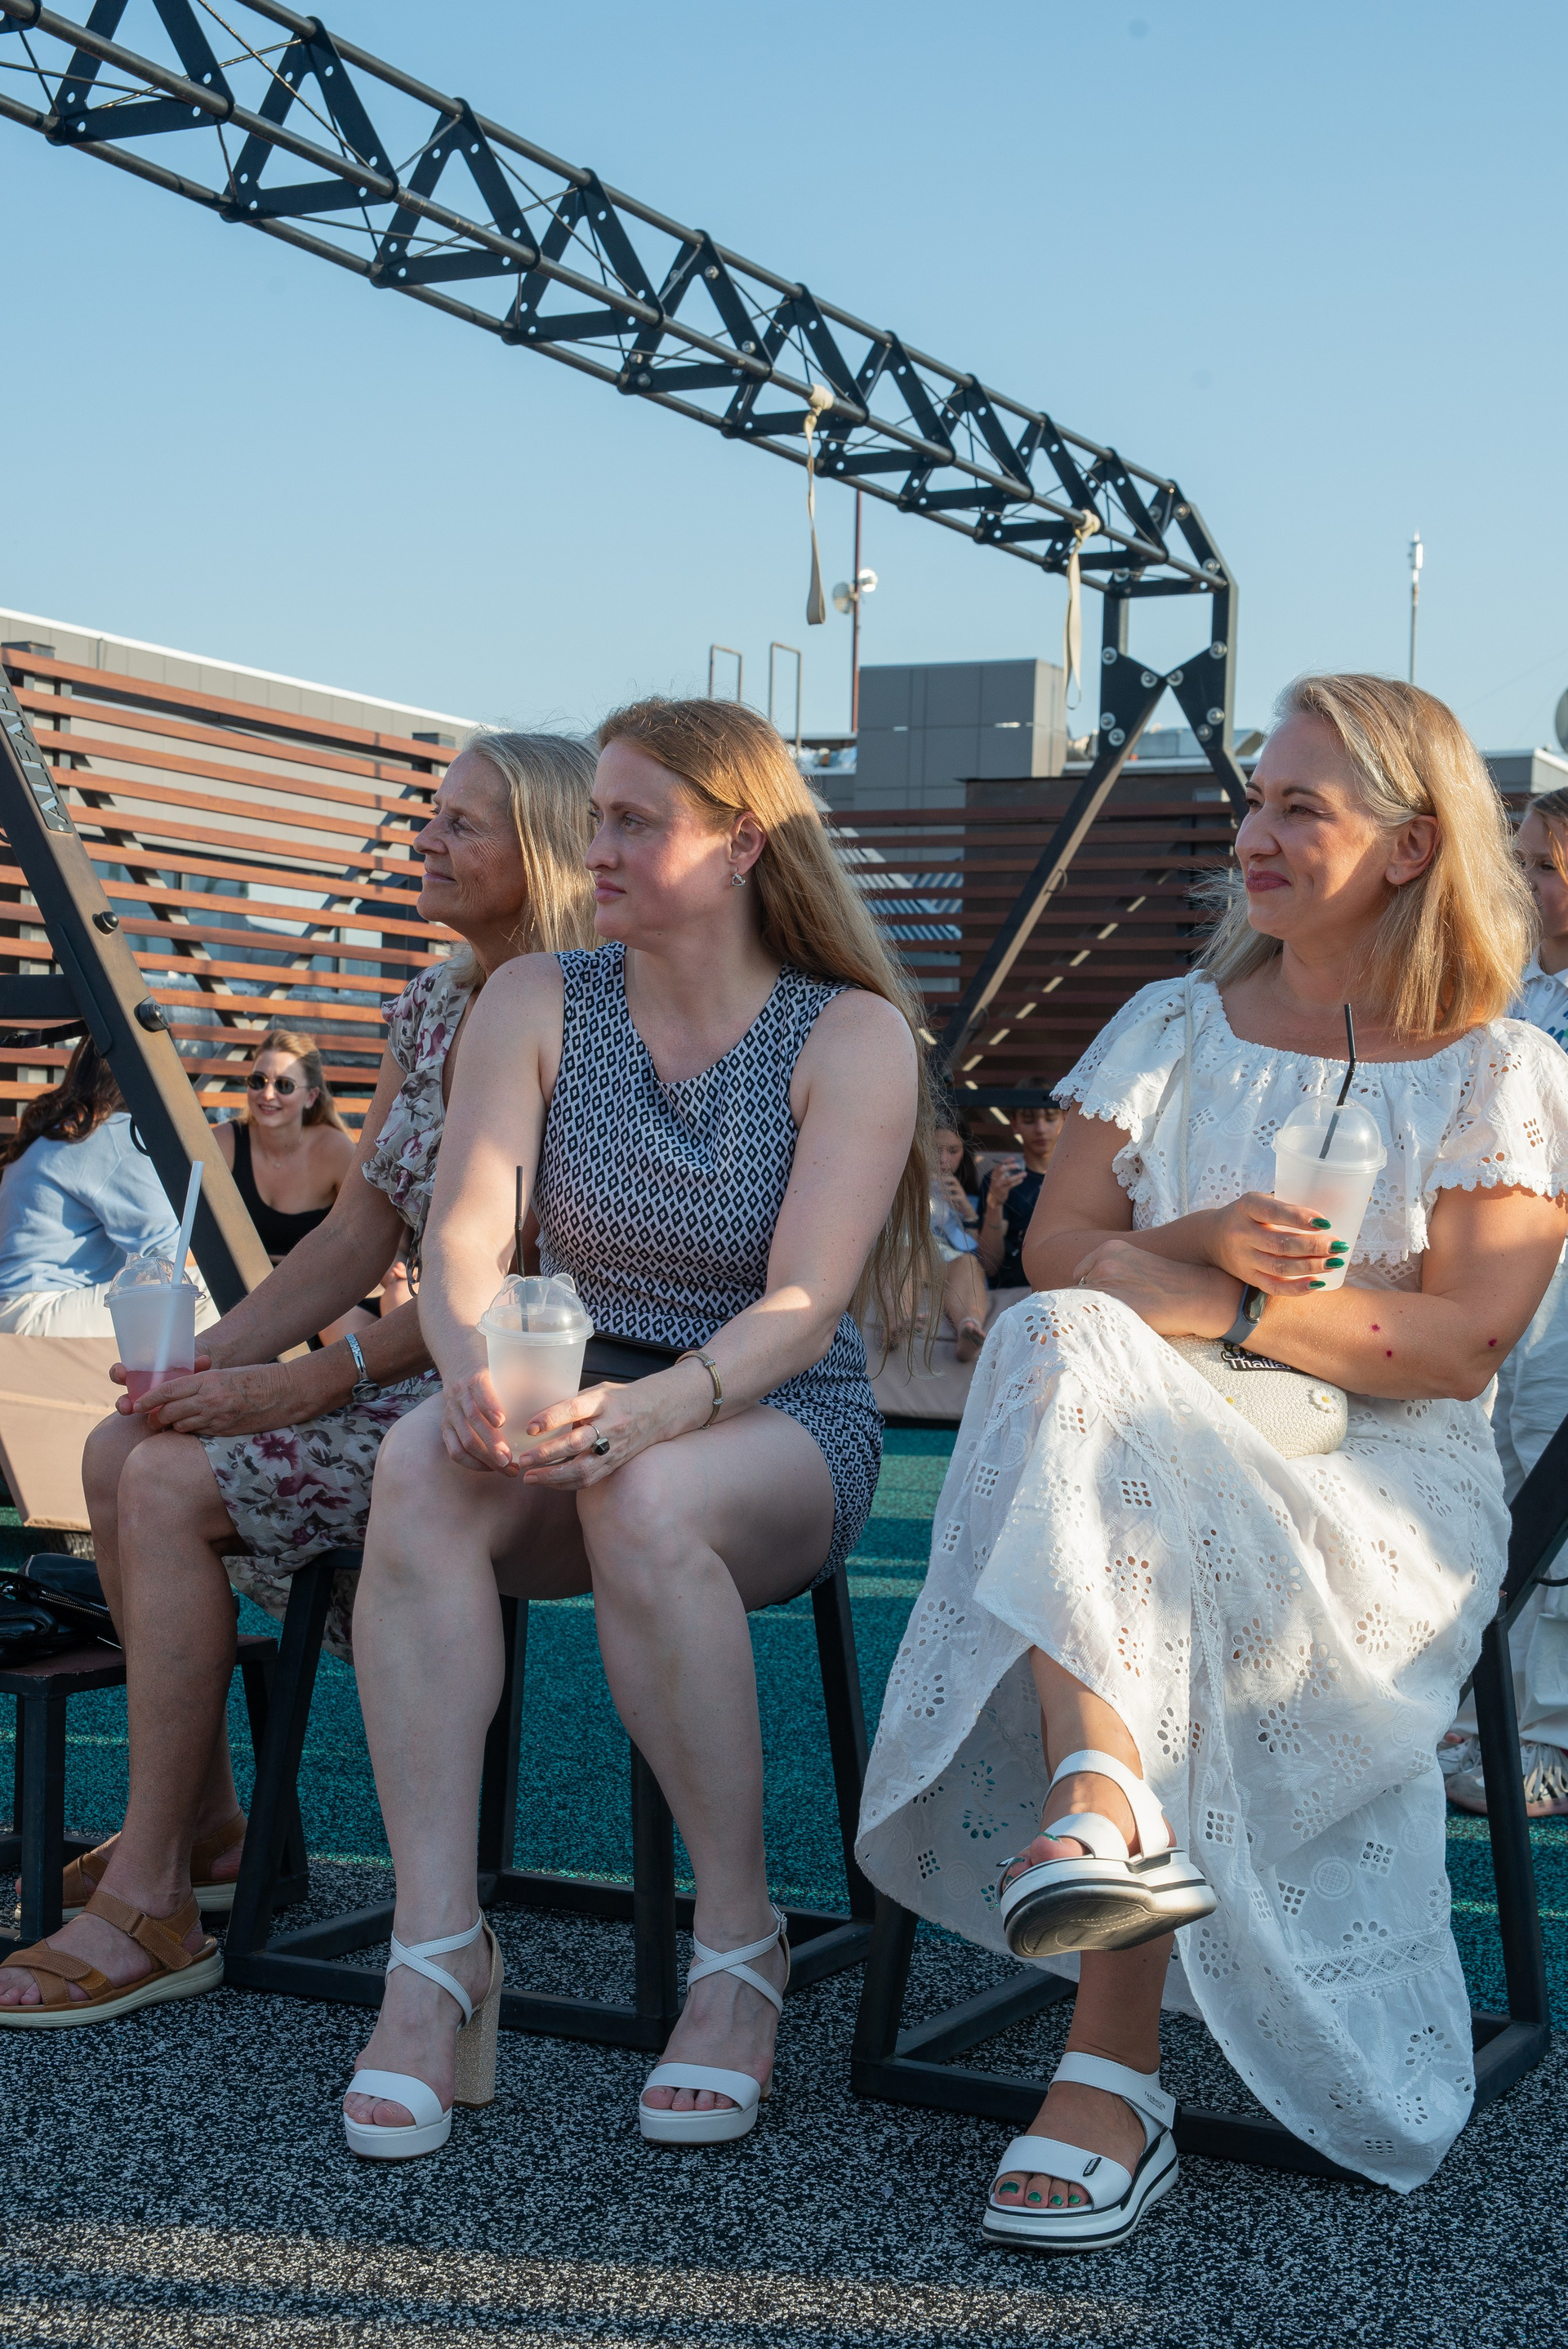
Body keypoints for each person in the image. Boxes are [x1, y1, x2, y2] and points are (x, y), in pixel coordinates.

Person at [858, 674, 1568, 2244]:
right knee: (1068, 1358)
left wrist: (1225, 1301)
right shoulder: (1171, 1025)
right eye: (1256, 798)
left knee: (1089, 1399)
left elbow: (1460, 1347)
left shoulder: (1501, 1067)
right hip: (1142, 1440)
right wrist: (1188, 1245)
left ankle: (1106, 2002)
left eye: (1301, 806)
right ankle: (1107, 1825)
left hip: (1383, 1483)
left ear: (1411, 845)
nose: (1254, 832)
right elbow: (1062, 1253)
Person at [336, 696, 930, 2160]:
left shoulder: (851, 1032)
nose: (594, 847)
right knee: (417, 1462)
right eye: (596, 816)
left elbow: (803, 1305)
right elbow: (465, 1237)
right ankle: (437, 1954)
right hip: (573, 1381)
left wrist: (657, 1412)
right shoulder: (538, 998)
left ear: (742, 844)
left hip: (777, 1414)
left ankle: (739, 1947)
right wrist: (468, 1370)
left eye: (633, 821)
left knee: (646, 1498)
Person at [0, 730, 598, 2027]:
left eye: (462, 824)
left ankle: (155, 1893)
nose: (425, 840)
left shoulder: (588, 1009)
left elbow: (521, 1270)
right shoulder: (433, 1002)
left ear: (546, 851)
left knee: (163, 1485)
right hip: (411, 1372)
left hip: (524, 1390)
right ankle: (204, 1830)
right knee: (121, 1445)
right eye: (430, 816)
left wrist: (310, 1382)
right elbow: (358, 1233)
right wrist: (212, 1357)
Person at [1443, 786, 1568, 1817]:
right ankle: (1491, 1713)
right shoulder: (1512, 983)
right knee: (1499, 1477)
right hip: (1503, 1270)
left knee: (1559, 1493)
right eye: (1519, 861)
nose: (1523, 883)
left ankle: (1552, 1737)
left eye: (1545, 867)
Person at [0, 1034, 218, 1337]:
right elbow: (170, 1254)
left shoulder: (66, 1129)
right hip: (38, 1312)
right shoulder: (112, 1134)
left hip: (20, 1307)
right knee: (213, 1289)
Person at [216, 1028, 383, 1347]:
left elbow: (374, 1231)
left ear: (310, 1097)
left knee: (337, 1328)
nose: (267, 1095)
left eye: (284, 1085)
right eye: (258, 1081)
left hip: (329, 1297)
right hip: (250, 1299)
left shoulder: (333, 1149)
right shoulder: (226, 1143)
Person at [975, 1087, 1065, 1290]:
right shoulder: (1001, 1180)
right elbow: (990, 1266)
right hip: (1014, 1289)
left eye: (1050, 1118)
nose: (1040, 1129)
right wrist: (994, 1204)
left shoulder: (1078, 1177)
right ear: (1014, 1123)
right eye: (1029, 1120)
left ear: (1064, 1120)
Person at [930, 1115, 988, 1362]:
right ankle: (897, 1320)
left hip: (949, 1263)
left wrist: (967, 1211)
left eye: (952, 1151)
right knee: (903, 1256)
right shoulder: (895, 1186)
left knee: (968, 1263)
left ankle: (969, 1328)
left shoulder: (968, 1195)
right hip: (911, 1257)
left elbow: (974, 1252)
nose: (943, 1160)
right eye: (935, 1150)